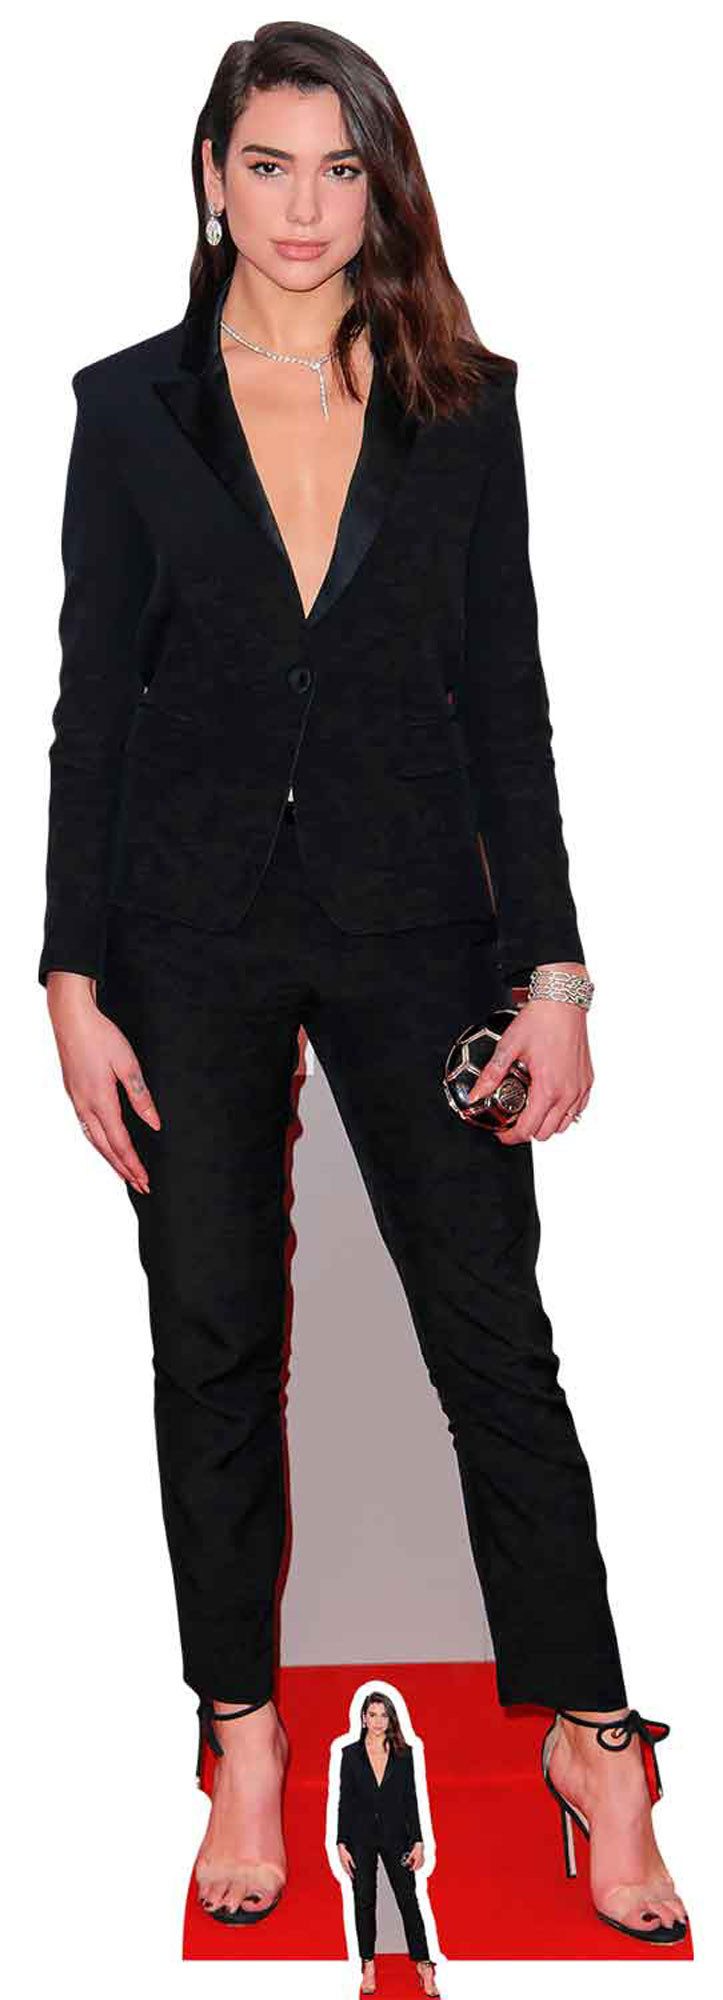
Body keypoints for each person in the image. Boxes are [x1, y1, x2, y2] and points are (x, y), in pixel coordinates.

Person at [38, 22, 688, 1945]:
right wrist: (69, 972)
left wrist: (552, 968)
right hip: (188, 935)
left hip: (420, 930)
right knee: (211, 1334)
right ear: (210, 177)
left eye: (339, 167)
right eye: (267, 164)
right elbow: (94, 713)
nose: (303, 206)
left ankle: (592, 1738)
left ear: (379, 183)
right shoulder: (127, 413)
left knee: (493, 1335)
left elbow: (507, 704)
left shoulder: (465, 405)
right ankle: (238, 1734)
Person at [337, 1694, 438, 1996]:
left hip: (397, 1836)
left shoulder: (404, 1754)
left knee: (408, 1899)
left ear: (391, 1719)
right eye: (373, 1714)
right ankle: (367, 1964)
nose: (378, 1721)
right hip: (361, 1838)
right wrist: (341, 1842)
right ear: (363, 1718)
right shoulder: (350, 1755)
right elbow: (346, 1801)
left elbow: (411, 1800)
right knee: (364, 1900)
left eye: (384, 1715)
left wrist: (418, 1841)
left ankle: (424, 1964)